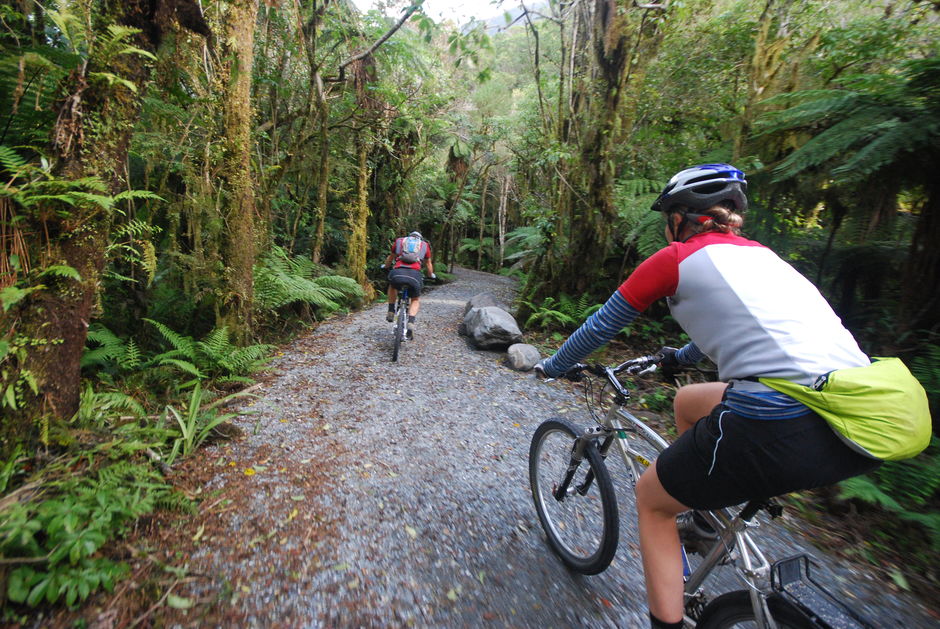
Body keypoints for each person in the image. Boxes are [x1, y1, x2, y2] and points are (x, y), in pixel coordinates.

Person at [534, 164, 880, 629]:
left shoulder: (675, 259)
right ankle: (701, 519)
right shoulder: (763, 257)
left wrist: (552, 366)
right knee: (689, 401)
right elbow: (740, 320)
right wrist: (679, 356)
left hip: (779, 421)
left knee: (651, 500)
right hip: (857, 415)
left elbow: (601, 325)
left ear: (681, 218)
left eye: (668, 217)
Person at [382, 231, 435, 339]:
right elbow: (428, 263)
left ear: (409, 237)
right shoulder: (424, 245)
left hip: (398, 274)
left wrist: (386, 266)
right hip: (414, 276)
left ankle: (391, 310)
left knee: (392, 286)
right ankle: (411, 322)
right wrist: (431, 275)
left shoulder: (399, 241)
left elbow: (390, 258)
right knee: (415, 299)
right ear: (420, 239)